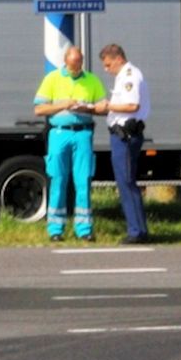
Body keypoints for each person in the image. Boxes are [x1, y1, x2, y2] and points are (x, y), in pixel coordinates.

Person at [33, 46, 106, 242]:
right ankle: (55, 228)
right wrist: (62, 105)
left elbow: (104, 107)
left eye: (79, 64)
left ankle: (84, 228)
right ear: (65, 61)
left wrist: (89, 108)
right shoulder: (53, 79)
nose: (76, 68)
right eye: (73, 65)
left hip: (82, 133)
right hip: (59, 133)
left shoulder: (91, 80)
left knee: (83, 181)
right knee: (58, 179)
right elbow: (39, 109)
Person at [95, 44, 151, 244]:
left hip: (125, 135)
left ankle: (136, 232)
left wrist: (108, 106)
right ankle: (138, 229)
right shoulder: (123, 76)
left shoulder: (129, 76)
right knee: (126, 182)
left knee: (126, 182)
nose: (106, 69)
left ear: (118, 58)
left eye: (108, 64)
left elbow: (131, 105)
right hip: (121, 135)